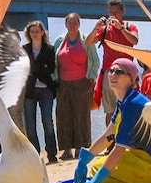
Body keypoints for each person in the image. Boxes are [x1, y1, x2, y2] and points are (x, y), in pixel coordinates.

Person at [74, 58, 151, 183]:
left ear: (131, 79)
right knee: (98, 167)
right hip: (150, 161)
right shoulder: (124, 101)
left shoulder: (133, 104)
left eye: (119, 72)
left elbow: (118, 150)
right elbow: (109, 134)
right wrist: (84, 159)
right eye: (110, 71)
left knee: (99, 170)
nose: (113, 74)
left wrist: (95, 182)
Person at [53, 13, 100, 161]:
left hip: (83, 82)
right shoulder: (59, 40)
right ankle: (66, 149)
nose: (72, 25)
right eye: (69, 22)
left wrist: (91, 78)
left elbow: (95, 61)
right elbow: (54, 60)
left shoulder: (86, 39)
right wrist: (55, 79)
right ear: (65, 24)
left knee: (82, 116)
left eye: (75, 22)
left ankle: (82, 148)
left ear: (79, 24)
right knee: (63, 116)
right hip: (63, 83)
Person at [86, 0, 139, 126]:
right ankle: (110, 141)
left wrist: (121, 29)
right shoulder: (104, 29)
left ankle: (126, 137)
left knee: (127, 107)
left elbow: (134, 40)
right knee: (110, 110)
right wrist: (96, 28)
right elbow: (88, 43)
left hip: (126, 73)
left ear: (122, 12)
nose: (113, 15)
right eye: (111, 12)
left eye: (116, 12)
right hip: (109, 73)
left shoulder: (129, 27)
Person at [22, 20, 58, 164]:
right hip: (29, 90)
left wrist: (34, 70)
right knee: (30, 125)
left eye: (37, 31)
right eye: (32, 32)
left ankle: (52, 153)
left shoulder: (49, 49)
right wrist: (39, 68)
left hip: (46, 90)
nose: (35, 34)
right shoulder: (24, 49)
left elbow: (50, 69)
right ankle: (34, 155)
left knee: (48, 122)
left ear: (42, 32)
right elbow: (23, 69)